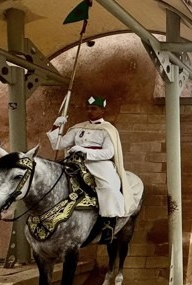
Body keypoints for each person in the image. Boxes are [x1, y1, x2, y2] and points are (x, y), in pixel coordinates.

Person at [47, 96, 135, 244]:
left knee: (108, 187)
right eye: (88, 108)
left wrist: (84, 151)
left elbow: (109, 153)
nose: (90, 111)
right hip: (75, 162)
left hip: (99, 163)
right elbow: (58, 145)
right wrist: (56, 127)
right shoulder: (78, 128)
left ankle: (109, 223)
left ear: (102, 110)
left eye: (93, 109)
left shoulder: (108, 130)